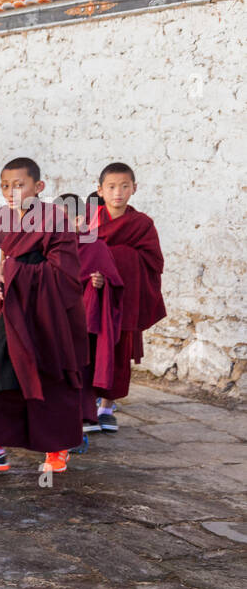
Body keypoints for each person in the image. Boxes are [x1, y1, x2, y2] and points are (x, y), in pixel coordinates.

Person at [0, 158, 88, 474]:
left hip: (49, 313)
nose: (11, 192)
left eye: (19, 185)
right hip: (14, 308)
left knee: (50, 375)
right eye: (5, 185)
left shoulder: (54, 219)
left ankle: (57, 448)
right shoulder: (5, 217)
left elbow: (66, 274)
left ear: (39, 187)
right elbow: (7, 256)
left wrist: (16, 274)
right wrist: (1, 277)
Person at [91, 163, 165, 431]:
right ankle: (88, 404)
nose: (118, 192)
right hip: (93, 297)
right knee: (90, 349)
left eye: (124, 186)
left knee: (119, 349)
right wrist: (92, 276)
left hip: (124, 299)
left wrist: (115, 262)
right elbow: (77, 256)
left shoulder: (142, 224)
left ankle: (107, 406)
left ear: (135, 188)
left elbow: (154, 261)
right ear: (100, 190)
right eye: (111, 187)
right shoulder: (88, 221)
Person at [56, 193, 123, 436]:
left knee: (81, 369)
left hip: (84, 318)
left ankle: (86, 416)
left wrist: (101, 282)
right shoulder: (52, 247)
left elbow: (115, 283)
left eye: (67, 220)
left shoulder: (95, 246)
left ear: (80, 219)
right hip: (55, 316)